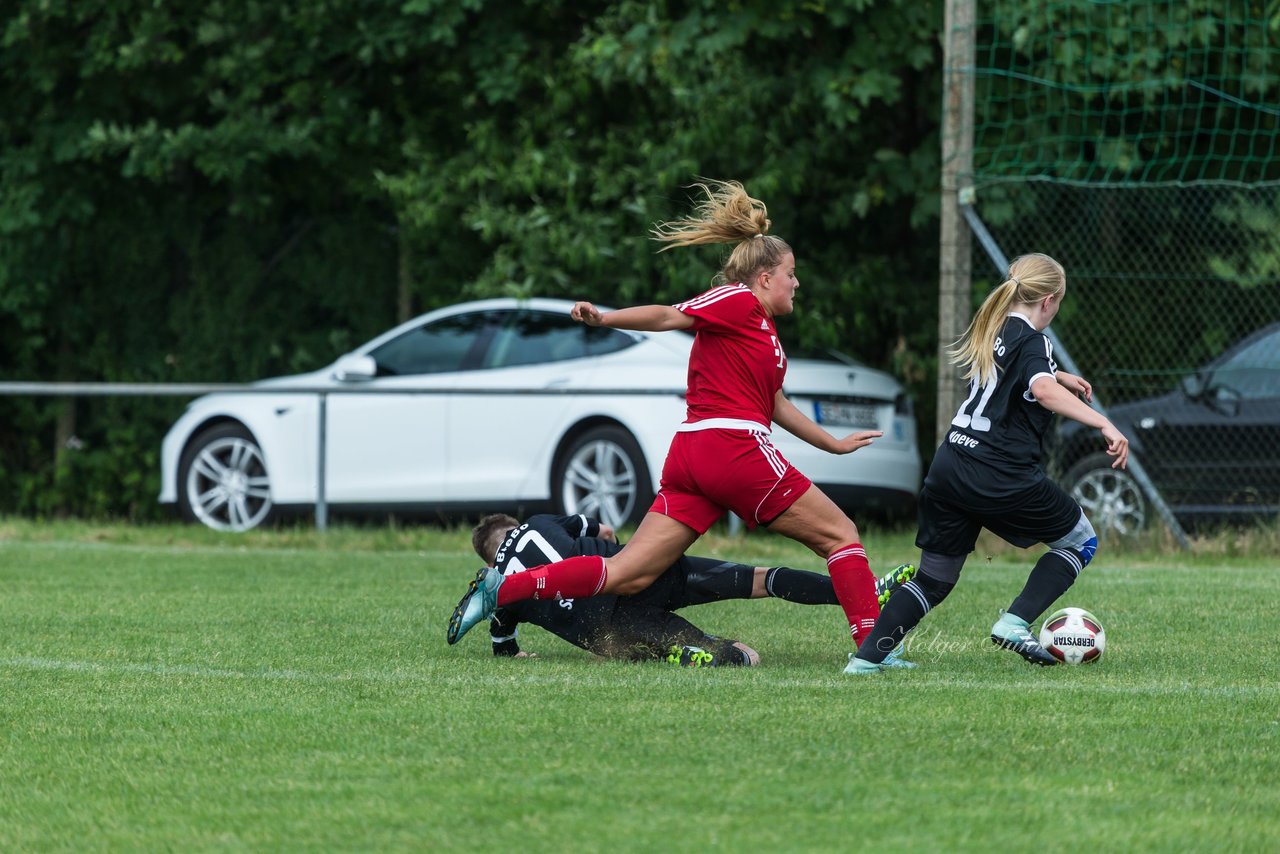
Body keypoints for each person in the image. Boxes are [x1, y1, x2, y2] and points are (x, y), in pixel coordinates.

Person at [447, 179, 893, 671]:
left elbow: (775, 404)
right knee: (841, 535)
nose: (797, 282)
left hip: (695, 459)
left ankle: (502, 588)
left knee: (628, 573)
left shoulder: (763, 334)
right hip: (731, 447)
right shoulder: (738, 301)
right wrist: (604, 318)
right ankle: (872, 654)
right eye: (792, 273)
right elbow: (668, 315)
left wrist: (833, 444)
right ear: (765, 277)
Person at [846, 253, 1130, 674]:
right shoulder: (1036, 341)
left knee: (934, 579)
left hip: (950, 464)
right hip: (998, 472)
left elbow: (1022, 375)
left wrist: (1059, 375)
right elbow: (1042, 390)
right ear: (1049, 301)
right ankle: (1015, 623)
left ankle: (867, 660)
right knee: (1080, 540)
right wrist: (1103, 422)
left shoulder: (994, 327)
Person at [471, 513, 916, 667]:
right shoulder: (541, 524)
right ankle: (857, 591)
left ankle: (705, 650)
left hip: (607, 623)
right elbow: (603, 529)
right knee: (758, 578)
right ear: (515, 525)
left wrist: (513, 650)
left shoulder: (502, 594)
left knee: (634, 645)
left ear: (491, 563)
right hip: (644, 571)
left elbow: (503, 645)